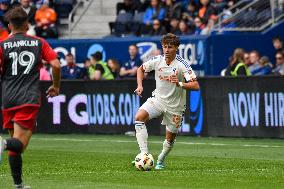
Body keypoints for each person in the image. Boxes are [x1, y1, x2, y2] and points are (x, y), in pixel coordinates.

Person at [0, 7, 61, 189]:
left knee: (15, 145)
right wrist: (56, 86)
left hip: (8, 99)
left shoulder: (2, 45)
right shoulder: (39, 42)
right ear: (27, 24)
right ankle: (2, 143)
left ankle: (18, 185)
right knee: (20, 144)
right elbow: (56, 65)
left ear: (10, 25)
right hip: (28, 97)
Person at [133, 33, 200, 170]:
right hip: (158, 100)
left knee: (169, 139)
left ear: (176, 48)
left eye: (170, 47)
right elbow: (141, 69)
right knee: (139, 118)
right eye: (164, 47)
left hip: (175, 107)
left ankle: (161, 159)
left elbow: (196, 86)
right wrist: (140, 86)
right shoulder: (158, 60)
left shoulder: (182, 65)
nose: (167, 50)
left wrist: (180, 83)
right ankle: (144, 154)